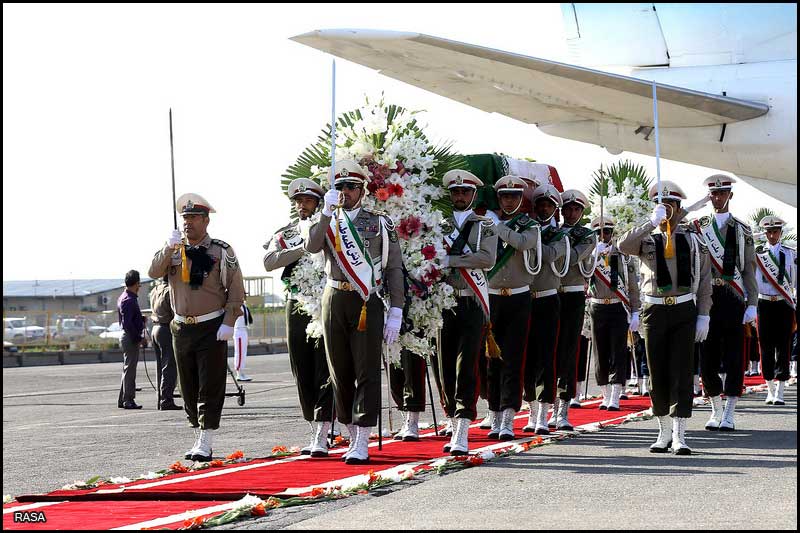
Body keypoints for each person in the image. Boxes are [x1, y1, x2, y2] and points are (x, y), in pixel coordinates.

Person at [305, 160, 405, 465]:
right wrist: (324, 212)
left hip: (365, 300)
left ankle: (363, 436)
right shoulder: (328, 221)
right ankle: (350, 429)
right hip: (334, 298)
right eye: (339, 187)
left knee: (366, 371)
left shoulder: (380, 223)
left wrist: (397, 309)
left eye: (351, 187)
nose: (345, 192)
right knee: (339, 372)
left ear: (362, 190)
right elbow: (311, 246)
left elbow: (393, 268)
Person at [149, 193, 245, 462]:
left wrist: (229, 322)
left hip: (211, 325)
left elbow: (235, 290)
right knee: (188, 386)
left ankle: (207, 437)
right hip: (181, 327)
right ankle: (197, 431)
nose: (188, 223)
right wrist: (169, 249)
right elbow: (153, 272)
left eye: (193, 218)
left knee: (210, 384)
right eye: (185, 218)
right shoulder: (173, 249)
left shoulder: (220, 251)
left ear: (206, 220)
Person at [618, 181, 712, 455]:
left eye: (672, 205)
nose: (667, 210)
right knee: (657, 370)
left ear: (680, 208)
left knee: (682, 371)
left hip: (683, 308)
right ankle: (662, 432)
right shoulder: (646, 238)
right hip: (654, 309)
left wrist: (704, 314)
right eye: (663, 205)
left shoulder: (692, 239)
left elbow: (705, 280)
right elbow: (623, 245)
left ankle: (680, 434)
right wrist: (650, 222)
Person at [264, 177, 334, 457]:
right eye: (298, 201)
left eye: (307, 200)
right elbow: (269, 261)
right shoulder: (288, 233)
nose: (302, 205)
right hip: (297, 304)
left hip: (325, 303)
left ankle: (323, 427)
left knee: (324, 366)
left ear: (318, 203)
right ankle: (313, 422)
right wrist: (301, 248)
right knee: (301, 366)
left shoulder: (328, 227)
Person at [691, 175, 758, 431]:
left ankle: (729, 411)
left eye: (722, 193)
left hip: (732, 296)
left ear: (730, 195)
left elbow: (749, 269)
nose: (717, 198)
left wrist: (752, 303)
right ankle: (715, 409)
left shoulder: (742, 229)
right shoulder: (698, 226)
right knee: (707, 355)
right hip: (706, 297)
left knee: (734, 355)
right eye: (714, 194)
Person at [438, 169, 498, 454]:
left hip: (472, 300)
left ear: (474, 195)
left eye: (465, 192)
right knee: (444, 364)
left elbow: (487, 258)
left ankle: (463, 425)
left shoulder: (485, 225)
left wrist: (449, 259)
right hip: (444, 302)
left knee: (467, 364)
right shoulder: (438, 224)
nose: (459, 196)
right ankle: (451, 417)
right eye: (455, 192)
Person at [485, 175, 541, 440]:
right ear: (499, 198)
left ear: (521, 199)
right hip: (492, 296)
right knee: (491, 359)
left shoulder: (529, 225)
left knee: (513, 358)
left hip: (518, 298)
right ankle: (494, 413)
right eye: (505, 196)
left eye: (514, 197)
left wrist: (498, 227)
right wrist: (492, 225)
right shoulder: (486, 224)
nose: (509, 201)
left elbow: (522, 243)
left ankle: (508, 415)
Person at [524, 183, 569, 435]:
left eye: (549, 204)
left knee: (546, 357)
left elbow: (550, 255)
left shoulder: (560, 235)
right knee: (527, 358)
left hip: (547, 298)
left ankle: (543, 412)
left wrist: (529, 237)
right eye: (540, 203)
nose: (543, 207)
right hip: (525, 299)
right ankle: (531, 409)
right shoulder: (527, 229)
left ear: (555, 209)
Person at [552, 189, 596, 429]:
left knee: (568, 351)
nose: (571, 213)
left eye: (576, 209)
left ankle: (563, 407)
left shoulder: (587, 235)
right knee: (548, 351)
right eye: (567, 209)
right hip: (550, 295)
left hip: (572, 295)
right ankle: (544, 404)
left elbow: (573, 257)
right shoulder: (552, 230)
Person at [588, 216, 640, 411]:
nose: (603, 236)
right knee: (600, 352)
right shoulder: (589, 255)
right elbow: (583, 276)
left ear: (612, 234)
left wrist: (635, 312)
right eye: (598, 233)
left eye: (607, 232)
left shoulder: (623, 255)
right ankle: (605, 393)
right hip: (597, 306)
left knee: (618, 350)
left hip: (618, 306)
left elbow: (633, 286)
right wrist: (593, 256)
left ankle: (616, 394)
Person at [755, 215, 797, 406]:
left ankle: (780, 389)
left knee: (783, 345)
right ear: (764, 233)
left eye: (775, 231)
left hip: (783, 303)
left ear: (780, 233)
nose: (772, 235)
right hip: (763, 303)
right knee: (765, 345)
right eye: (769, 232)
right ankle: (769, 387)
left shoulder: (790, 254)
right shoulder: (757, 254)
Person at [149, 276, 182, 410]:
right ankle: (166, 399)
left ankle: (161, 398)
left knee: (160, 367)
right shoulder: (170, 290)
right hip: (166, 329)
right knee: (170, 366)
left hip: (155, 328)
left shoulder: (155, 289)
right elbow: (176, 312)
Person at [117, 270, 147, 409]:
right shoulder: (129, 299)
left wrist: (140, 320)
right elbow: (128, 323)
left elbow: (128, 320)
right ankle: (128, 399)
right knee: (130, 370)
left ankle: (122, 399)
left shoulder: (124, 296)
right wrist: (139, 338)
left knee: (127, 368)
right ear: (137, 283)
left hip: (127, 336)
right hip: (130, 337)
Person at [233, 302, 253, 381]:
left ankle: (242, 372)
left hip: (244, 330)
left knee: (243, 353)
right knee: (239, 353)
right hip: (239, 330)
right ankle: (239, 373)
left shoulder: (244, 305)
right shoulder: (236, 304)